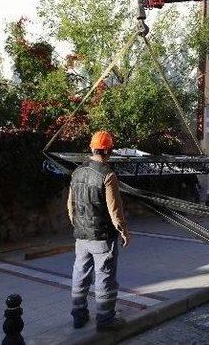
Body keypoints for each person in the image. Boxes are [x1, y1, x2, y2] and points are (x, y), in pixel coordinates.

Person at [68, 131, 130, 331]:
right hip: (102, 236)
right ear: (109, 151)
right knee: (104, 277)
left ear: (91, 148)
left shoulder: (76, 172)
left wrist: (77, 225)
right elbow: (114, 209)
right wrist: (123, 232)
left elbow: (70, 205)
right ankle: (105, 319)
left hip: (81, 236)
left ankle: (79, 316)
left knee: (80, 274)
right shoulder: (108, 174)